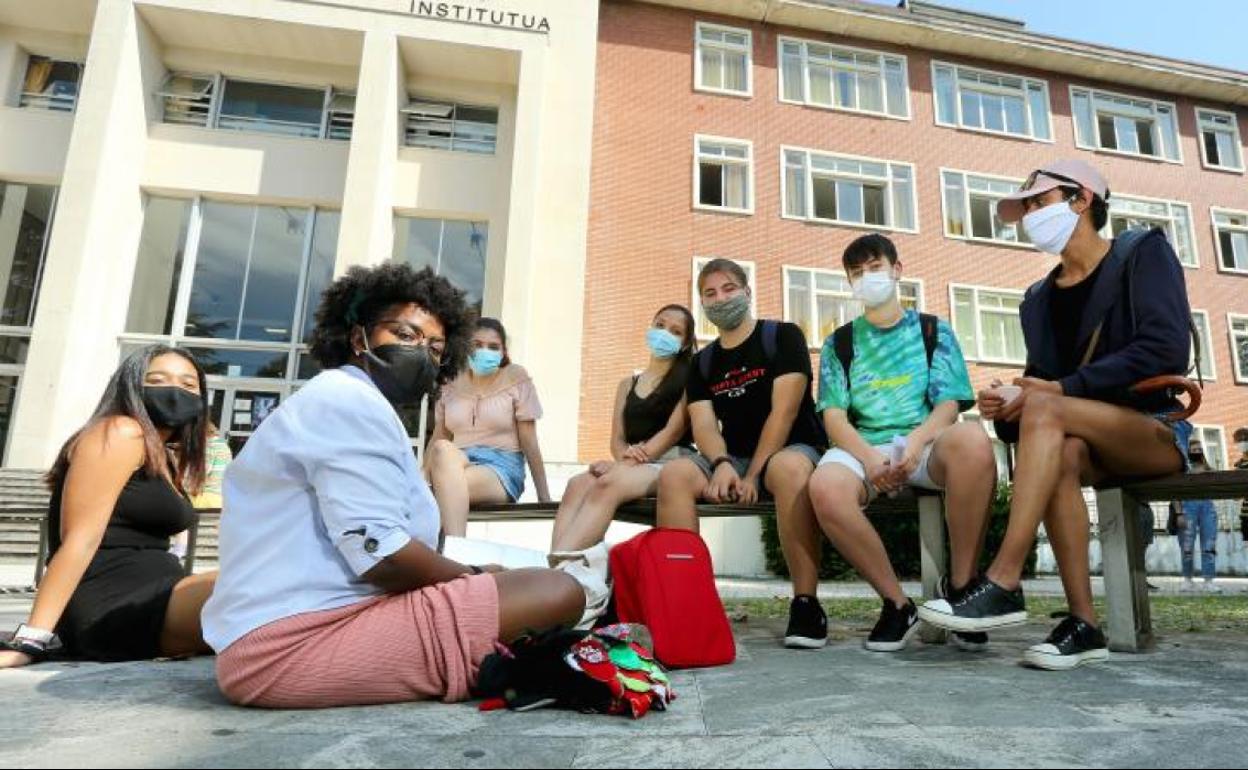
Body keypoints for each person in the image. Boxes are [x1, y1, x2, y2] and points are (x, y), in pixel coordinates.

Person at [201, 263, 584, 709]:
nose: (421, 352)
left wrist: (472, 577)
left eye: (436, 348)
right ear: (358, 337)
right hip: (294, 646)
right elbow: (384, 556)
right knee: (558, 592)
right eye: (405, 334)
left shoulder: (354, 402)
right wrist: (474, 576)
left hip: (314, 624)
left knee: (536, 585)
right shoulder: (347, 400)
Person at [918, 159, 1194, 671]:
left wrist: (1057, 391)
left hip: (1153, 429)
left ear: (1081, 199)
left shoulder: (1142, 252)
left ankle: (1003, 578)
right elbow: (1040, 388)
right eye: (1024, 209)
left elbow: (1166, 349)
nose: (1029, 217)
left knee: (1048, 409)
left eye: (1038, 202)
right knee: (1060, 450)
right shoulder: (1038, 299)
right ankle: (1084, 625)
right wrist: (1007, 405)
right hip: (1075, 438)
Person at [804, 234, 993, 652]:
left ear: (896, 270)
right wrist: (870, 460)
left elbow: (949, 404)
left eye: (875, 267)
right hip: (863, 447)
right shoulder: (840, 343)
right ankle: (897, 604)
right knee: (825, 487)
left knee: (974, 439)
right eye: (857, 272)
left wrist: (916, 441)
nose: (867, 278)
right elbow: (834, 416)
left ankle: (962, 589)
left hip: (925, 444)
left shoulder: (932, 330)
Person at [0, 346, 216, 667]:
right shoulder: (120, 432)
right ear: (131, 386)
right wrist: (32, 639)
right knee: (264, 588)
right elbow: (80, 540)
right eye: (157, 380)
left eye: (188, 385)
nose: (175, 392)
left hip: (163, 593)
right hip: (113, 603)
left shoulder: (163, 455)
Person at [654, 258, 827, 645]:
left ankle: (806, 603)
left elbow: (783, 413)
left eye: (728, 289)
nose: (720, 299)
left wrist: (752, 475)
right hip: (734, 456)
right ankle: (687, 604)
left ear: (747, 292)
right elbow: (703, 425)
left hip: (793, 447)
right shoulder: (703, 362)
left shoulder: (783, 336)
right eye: (710, 294)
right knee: (675, 474)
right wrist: (721, 463)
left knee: (786, 469)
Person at [551, 305, 697, 553]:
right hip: (631, 464)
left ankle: (558, 566)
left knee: (608, 483)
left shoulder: (689, 379)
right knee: (577, 483)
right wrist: (623, 461)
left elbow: (672, 431)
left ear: (684, 344)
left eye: (675, 331)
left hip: (671, 464)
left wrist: (623, 465)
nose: (664, 333)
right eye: (660, 325)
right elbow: (617, 440)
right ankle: (562, 563)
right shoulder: (626, 384)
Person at [426, 318, 550, 537]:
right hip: (457, 461)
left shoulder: (516, 377)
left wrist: (544, 495)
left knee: (443, 490)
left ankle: (453, 549)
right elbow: (439, 435)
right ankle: (455, 550)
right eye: (477, 345)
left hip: (500, 466)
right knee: (443, 448)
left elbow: (529, 440)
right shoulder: (450, 382)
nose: (485, 351)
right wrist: (419, 478)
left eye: (493, 347)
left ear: (503, 352)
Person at [1180, 439, 1221, 594]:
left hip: (1207, 507)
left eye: (1199, 449)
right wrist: (1178, 513)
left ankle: (1208, 581)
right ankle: (1187, 580)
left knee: (1209, 544)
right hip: (1188, 506)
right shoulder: (1183, 470)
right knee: (1187, 545)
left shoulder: (1209, 469)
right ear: (1188, 452)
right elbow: (1175, 493)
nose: (1197, 452)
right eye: (1194, 450)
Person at [1235, 427, 1248, 543]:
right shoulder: (1239, 465)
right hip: (1245, 512)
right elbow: (1236, 496)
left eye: (1245, 439)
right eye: (1239, 440)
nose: (1242, 443)